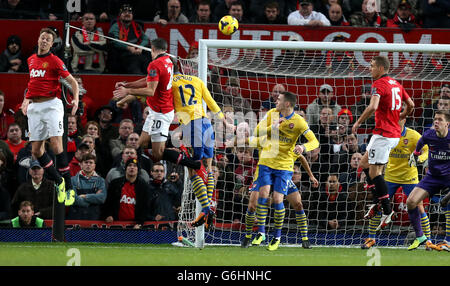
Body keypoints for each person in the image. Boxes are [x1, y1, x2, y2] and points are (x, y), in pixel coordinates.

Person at [113, 37, 201, 171]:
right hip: (156, 111)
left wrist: (127, 90)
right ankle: (166, 141)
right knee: (141, 144)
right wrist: (127, 84)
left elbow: (150, 90)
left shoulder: (154, 64)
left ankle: (194, 164)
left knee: (157, 154)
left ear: (152, 49)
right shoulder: (168, 61)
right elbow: (149, 80)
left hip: (161, 113)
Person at [352, 55, 415, 231]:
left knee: (375, 172)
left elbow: (373, 106)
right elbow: (411, 104)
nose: (369, 69)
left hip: (385, 134)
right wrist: (401, 116)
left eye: (372, 66)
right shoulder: (396, 84)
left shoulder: (378, 84)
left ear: (380, 68)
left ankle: (387, 210)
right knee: (364, 164)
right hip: (386, 133)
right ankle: (376, 202)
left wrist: (358, 122)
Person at [250, 91, 319, 251]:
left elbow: (313, 141)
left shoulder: (299, 122)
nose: (275, 101)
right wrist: (272, 127)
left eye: (278, 99)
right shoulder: (271, 114)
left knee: (296, 203)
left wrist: (303, 147)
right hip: (267, 164)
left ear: (287, 104)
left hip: (284, 167)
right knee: (261, 197)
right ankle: (260, 233)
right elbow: (256, 133)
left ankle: (304, 237)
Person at [20, 27, 79, 207]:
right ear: (38, 39)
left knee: (56, 145)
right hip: (34, 107)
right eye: (42, 38)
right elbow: (32, 83)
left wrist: (75, 99)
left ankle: (69, 187)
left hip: (52, 105)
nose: (44, 41)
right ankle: (58, 180)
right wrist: (25, 99)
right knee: (36, 151)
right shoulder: (30, 60)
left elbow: (72, 81)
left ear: (52, 44)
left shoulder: (55, 61)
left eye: (48, 39)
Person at [171, 63, 233, 227]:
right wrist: (225, 122)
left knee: (193, 168)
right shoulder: (197, 80)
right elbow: (211, 102)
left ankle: (206, 210)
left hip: (192, 125)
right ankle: (208, 210)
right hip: (206, 123)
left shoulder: (171, 83)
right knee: (209, 166)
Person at [361, 119, 436, 250]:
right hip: (390, 177)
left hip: (409, 178)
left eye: (398, 118)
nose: (395, 121)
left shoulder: (413, 135)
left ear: (404, 119)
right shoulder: (388, 136)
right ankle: (371, 238)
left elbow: (427, 150)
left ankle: (428, 240)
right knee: (377, 205)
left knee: (419, 207)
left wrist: (419, 159)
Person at [406, 110, 450, 250]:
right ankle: (420, 237)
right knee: (411, 202)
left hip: (448, 177)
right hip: (432, 177)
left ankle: (448, 241)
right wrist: (416, 153)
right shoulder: (429, 134)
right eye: (435, 119)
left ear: (447, 124)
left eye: (440, 119)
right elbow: (421, 141)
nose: (436, 121)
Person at [103, 157, 151, 229]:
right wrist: (108, 215)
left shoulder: (144, 186)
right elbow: (108, 202)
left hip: (135, 226)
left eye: (134, 166)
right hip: (116, 224)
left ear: (138, 170)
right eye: (129, 165)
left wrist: (140, 223)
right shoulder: (115, 183)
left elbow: (145, 207)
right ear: (125, 168)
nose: (132, 168)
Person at [107, 4, 150, 74]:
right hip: (124, 54)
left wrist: (140, 47)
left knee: (148, 64)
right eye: (124, 12)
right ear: (120, 15)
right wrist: (128, 48)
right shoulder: (115, 27)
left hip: (138, 52)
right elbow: (114, 41)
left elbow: (145, 39)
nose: (127, 14)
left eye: (129, 12)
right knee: (135, 67)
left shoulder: (137, 26)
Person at [67, 153, 106, 220]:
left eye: (91, 162)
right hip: (75, 218)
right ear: (81, 165)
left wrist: (84, 196)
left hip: (94, 218)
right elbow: (73, 199)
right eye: (86, 162)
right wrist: (91, 201)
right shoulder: (72, 180)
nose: (88, 164)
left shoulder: (101, 181)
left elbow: (101, 198)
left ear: (94, 166)